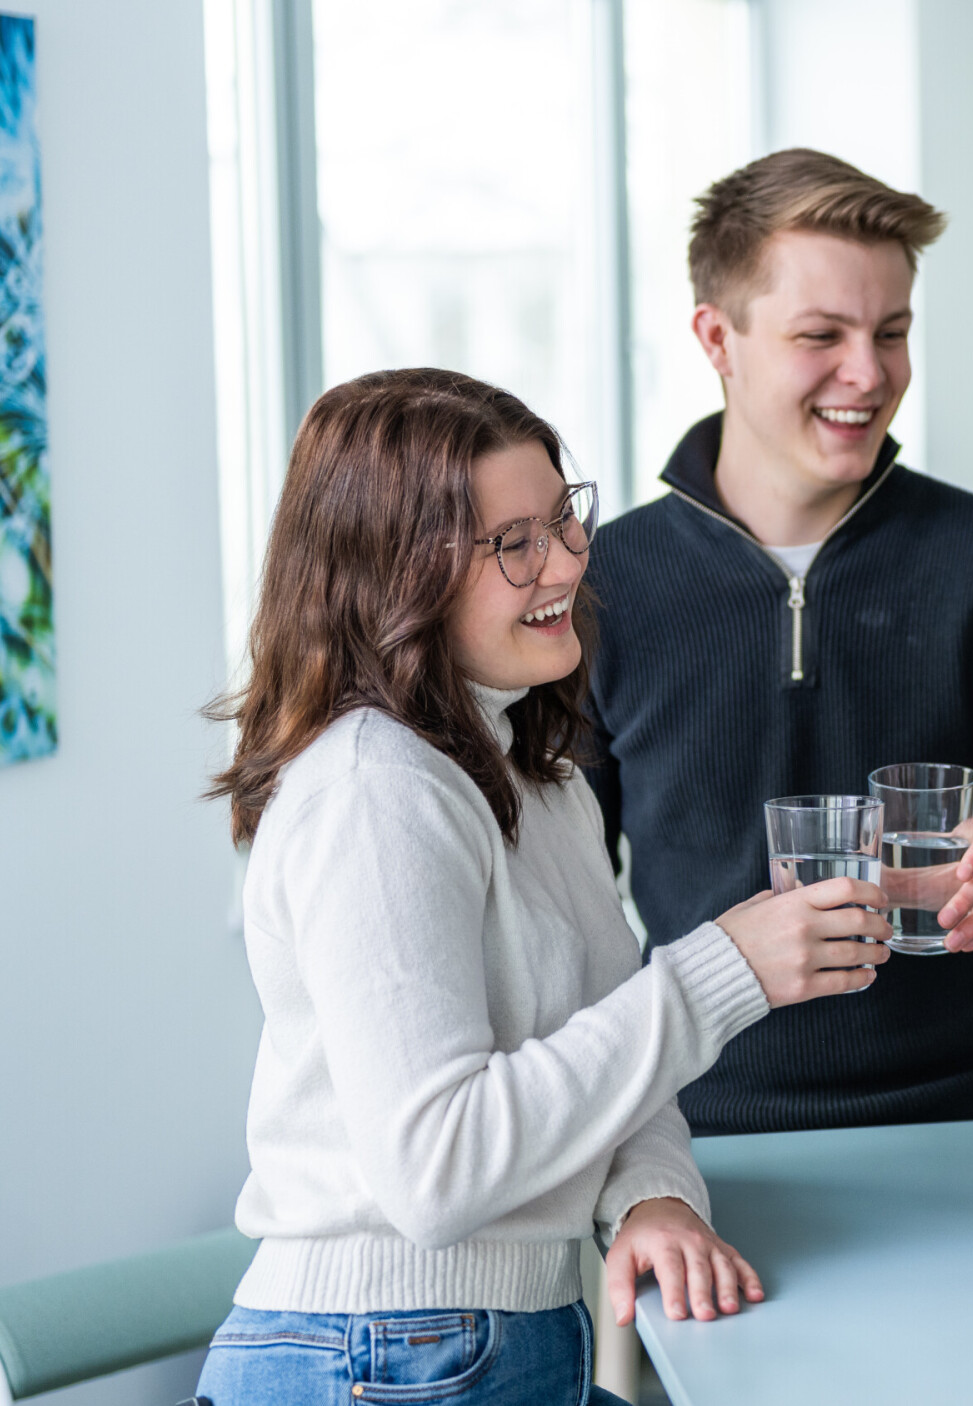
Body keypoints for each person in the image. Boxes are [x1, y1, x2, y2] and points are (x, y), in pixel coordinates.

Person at [198, 370, 894, 1403]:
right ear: (393, 576)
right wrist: (724, 970)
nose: (569, 558)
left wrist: (654, 1195)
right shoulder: (374, 791)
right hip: (378, 1356)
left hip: (482, 1339)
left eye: (565, 517)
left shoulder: (534, 771)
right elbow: (437, 1171)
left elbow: (612, 1052)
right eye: (513, 541)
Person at [584, 148, 973, 1136]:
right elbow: (555, 918)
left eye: (892, 332)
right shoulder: (597, 591)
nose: (868, 374)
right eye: (819, 335)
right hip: (696, 1144)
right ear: (718, 337)